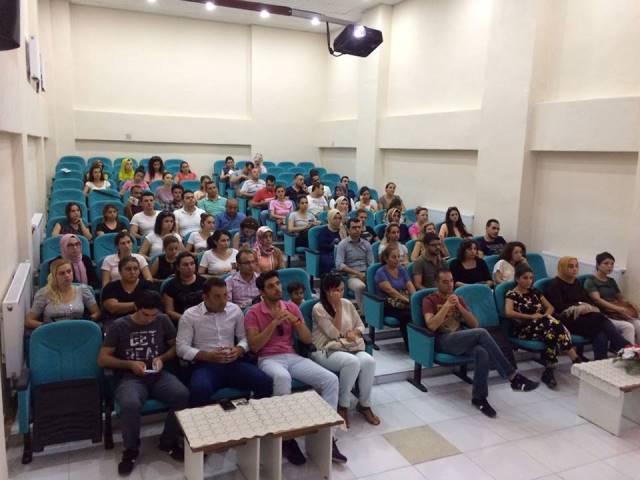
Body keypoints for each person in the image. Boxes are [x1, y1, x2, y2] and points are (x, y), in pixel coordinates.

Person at [244, 271, 346, 464]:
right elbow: (255, 346)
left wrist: (296, 321)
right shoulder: (253, 312)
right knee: (282, 378)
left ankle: (328, 437)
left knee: (331, 380)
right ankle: (286, 439)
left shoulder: (291, 306)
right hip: (268, 359)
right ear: (262, 292)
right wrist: (274, 323)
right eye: (271, 286)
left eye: (278, 284)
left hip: (292, 356)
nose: (277, 288)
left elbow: (307, 339)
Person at [423, 268, 539, 417]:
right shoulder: (429, 300)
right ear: (436, 283)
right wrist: (446, 306)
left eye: (451, 281)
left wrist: (459, 307)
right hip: (442, 340)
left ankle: (479, 398)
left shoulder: (458, 298)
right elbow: (431, 326)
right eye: (445, 282)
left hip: (460, 337)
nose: (450, 285)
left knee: (482, 352)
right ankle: (512, 376)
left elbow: (474, 324)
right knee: (482, 333)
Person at [98, 290, 189, 475]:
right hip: (130, 377)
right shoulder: (119, 326)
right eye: (145, 315)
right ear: (136, 308)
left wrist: (162, 358)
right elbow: (103, 359)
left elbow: (175, 346)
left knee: (182, 395)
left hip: (157, 374)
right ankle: (131, 449)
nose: (150, 319)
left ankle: (168, 441)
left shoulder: (162, 320)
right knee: (129, 404)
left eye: (154, 315)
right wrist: (129, 364)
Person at [177, 277, 273, 407]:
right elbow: (181, 348)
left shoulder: (234, 310)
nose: (223, 301)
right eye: (217, 297)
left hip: (232, 362)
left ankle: (256, 414)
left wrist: (239, 349)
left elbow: (245, 338)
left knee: (264, 381)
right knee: (199, 389)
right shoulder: (190, 315)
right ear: (205, 297)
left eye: (225, 295)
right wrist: (207, 355)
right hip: (205, 365)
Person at [311, 274, 379, 428]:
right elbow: (334, 333)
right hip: (326, 349)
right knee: (352, 362)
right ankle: (343, 405)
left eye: (342, 290)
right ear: (327, 291)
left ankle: (364, 404)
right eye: (336, 290)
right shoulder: (319, 308)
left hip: (349, 346)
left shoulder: (347, 303)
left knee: (369, 361)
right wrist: (338, 308)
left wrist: (355, 332)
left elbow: (361, 325)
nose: (340, 294)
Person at [505, 263, 580, 388]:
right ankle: (574, 358)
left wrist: (545, 315)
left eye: (531, 278)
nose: (529, 281)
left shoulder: (534, 291)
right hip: (524, 328)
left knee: (551, 333)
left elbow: (550, 307)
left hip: (543, 325)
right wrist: (531, 316)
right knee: (554, 326)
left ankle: (549, 370)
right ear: (517, 278)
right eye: (525, 278)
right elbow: (508, 312)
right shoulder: (511, 294)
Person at [546, 257, 628, 360]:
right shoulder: (554, 284)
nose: (574, 269)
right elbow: (558, 307)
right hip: (566, 320)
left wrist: (585, 307)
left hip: (583, 319)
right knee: (599, 318)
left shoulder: (576, 282)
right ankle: (625, 347)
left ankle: (601, 362)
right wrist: (578, 307)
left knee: (600, 333)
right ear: (562, 268)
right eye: (570, 266)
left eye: (576, 266)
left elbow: (587, 300)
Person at [25, 259, 100, 329]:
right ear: (54, 276)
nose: (67, 275)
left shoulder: (83, 290)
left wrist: (88, 322)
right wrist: (46, 327)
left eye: (69, 271)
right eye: (62, 273)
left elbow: (97, 312)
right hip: (52, 332)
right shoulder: (44, 293)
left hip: (77, 330)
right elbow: (29, 321)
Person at [585, 252, 640, 344]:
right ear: (598, 265)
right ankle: (628, 351)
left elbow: (621, 297)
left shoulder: (611, 281)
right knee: (628, 327)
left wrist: (632, 304)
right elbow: (597, 300)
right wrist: (617, 308)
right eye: (606, 263)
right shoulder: (590, 281)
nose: (609, 266)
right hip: (603, 313)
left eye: (612, 264)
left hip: (616, 313)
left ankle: (636, 350)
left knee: (638, 324)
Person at [375, 246, 416, 348]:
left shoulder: (401, 269)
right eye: (394, 257)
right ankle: (410, 346)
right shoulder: (381, 272)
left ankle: (420, 344)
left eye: (398, 256)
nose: (397, 259)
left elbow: (410, 285)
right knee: (408, 315)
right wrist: (407, 300)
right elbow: (390, 291)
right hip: (388, 304)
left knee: (418, 310)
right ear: (386, 258)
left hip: (404, 301)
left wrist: (414, 298)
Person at [101, 256, 156, 326]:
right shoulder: (110, 287)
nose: (132, 272)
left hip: (143, 321)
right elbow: (113, 308)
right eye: (128, 269)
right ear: (120, 271)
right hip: (116, 322)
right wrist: (138, 304)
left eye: (135, 269)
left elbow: (153, 306)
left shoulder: (148, 286)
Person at [335, 218, 374, 311]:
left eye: (359, 227)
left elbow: (371, 263)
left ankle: (376, 312)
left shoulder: (366, 244)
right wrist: (357, 273)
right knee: (360, 286)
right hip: (351, 276)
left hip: (366, 274)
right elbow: (339, 264)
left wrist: (367, 275)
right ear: (348, 230)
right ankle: (364, 313)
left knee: (381, 282)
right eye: (354, 227)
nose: (357, 230)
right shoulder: (343, 244)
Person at [163, 252, 207, 323]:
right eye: (185, 265)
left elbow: (211, 304)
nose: (190, 267)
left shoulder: (204, 282)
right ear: (178, 267)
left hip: (203, 320)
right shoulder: (170, 285)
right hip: (181, 321)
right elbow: (169, 311)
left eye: (192, 264)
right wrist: (187, 319)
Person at [317, 209, 346, 276]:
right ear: (330, 218)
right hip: (326, 253)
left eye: (339, 218)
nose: (338, 220)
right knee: (329, 262)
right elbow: (322, 246)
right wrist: (333, 245)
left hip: (340, 253)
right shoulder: (323, 231)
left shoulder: (342, 230)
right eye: (335, 218)